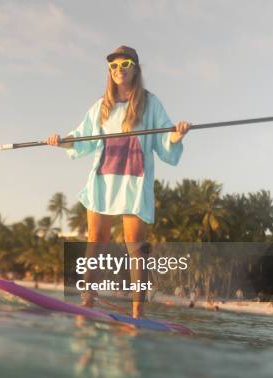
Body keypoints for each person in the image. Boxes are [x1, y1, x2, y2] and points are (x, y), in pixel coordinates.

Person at [47, 46, 190, 318]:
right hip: (103, 180)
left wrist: (177, 135)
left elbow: (165, 141)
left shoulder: (150, 103)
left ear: (136, 68)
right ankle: (87, 301)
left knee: (135, 244)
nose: (119, 70)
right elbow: (81, 138)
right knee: (95, 241)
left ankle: (138, 312)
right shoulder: (102, 106)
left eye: (125, 64)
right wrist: (61, 141)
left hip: (134, 182)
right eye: (113, 66)